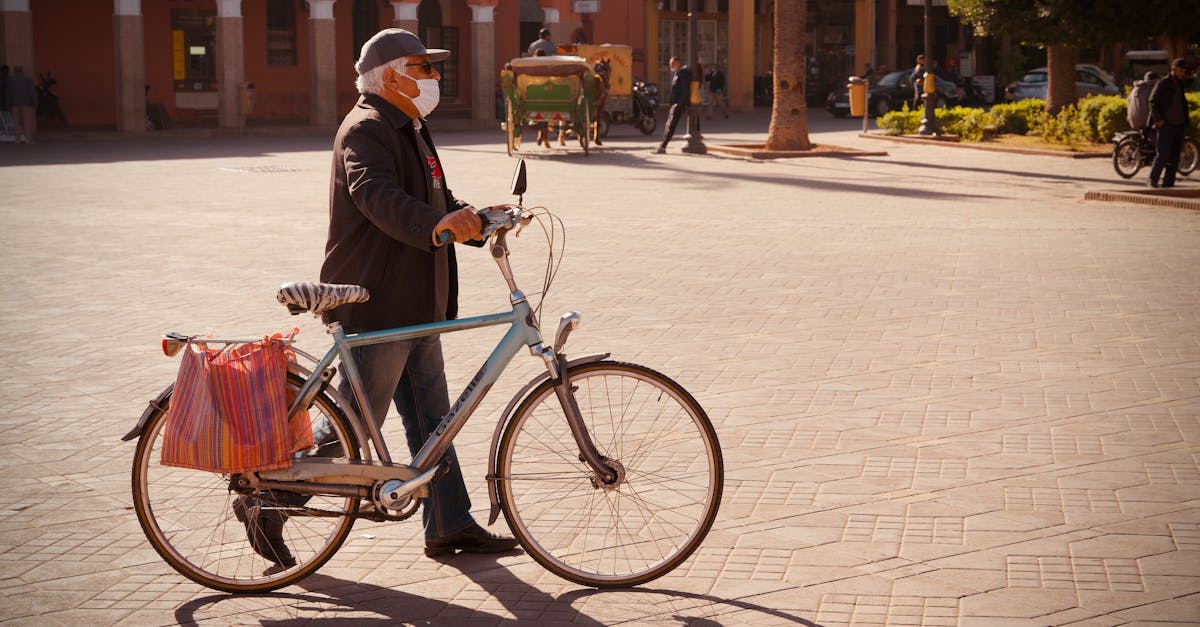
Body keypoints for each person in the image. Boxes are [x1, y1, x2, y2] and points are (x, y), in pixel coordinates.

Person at [235, 28, 518, 571]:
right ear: (392, 75)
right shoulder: (366, 128)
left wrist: (474, 220)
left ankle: (450, 522)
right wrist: (438, 224)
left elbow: (431, 197)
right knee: (356, 420)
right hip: (380, 298)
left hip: (416, 296)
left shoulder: (409, 124)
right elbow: (376, 196)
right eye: (424, 67)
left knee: (433, 416)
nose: (434, 77)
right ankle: (270, 499)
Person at [1147, 58, 1192, 188]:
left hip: (1179, 125)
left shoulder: (1180, 84)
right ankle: (1152, 179)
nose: (1183, 73)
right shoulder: (1163, 83)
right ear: (1173, 69)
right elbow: (1152, 101)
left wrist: (1185, 121)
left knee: (1175, 156)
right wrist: (1158, 119)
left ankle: (1168, 183)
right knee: (1163, 154)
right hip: (1166, 125)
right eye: (1181, 70)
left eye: (1184, 71)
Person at [653, 56, 691, 154]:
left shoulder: (682, 73)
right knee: (669, 125)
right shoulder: (677, 73)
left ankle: (662, 147)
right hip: (675, 104)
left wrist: (679, 104)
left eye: (672, 63)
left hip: (678, 104)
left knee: (671, 125)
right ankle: (662, 145)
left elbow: (685, 90)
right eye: (670, 64)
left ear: (678, 63)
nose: (671, 65)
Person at [8, 66, 37, 144]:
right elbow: (32, 92)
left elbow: (8, 93)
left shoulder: (11, 79)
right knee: (27, 122)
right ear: (22, 71)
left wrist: (8, 104)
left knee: (16, 122)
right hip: (26, 103)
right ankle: (28, 139)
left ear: (14, 71)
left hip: (14, 103)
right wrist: (35, 102)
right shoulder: (28, 79)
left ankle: (17, 139)